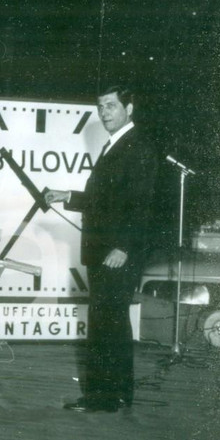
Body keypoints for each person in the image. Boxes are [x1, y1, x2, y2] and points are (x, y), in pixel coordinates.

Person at [45, 85, 159, 413]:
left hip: (116, 253)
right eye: (100, 106)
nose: (104, 112)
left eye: (111, 105)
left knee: (104, 324)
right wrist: (67, 195)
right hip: (105, 251)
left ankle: (102, 398)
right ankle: (119, 394)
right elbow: (108, 200)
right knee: (113, 322)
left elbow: (142, 205)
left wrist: (123, 247)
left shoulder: (136, 147)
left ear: (130, 107)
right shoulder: (117, 146)